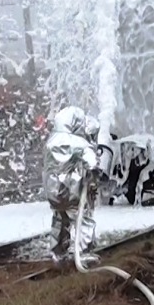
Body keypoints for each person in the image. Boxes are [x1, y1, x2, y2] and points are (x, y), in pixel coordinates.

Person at [42, 106, 101, 262]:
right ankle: (84, 253)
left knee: (59, 219)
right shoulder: (80, 143)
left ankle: (58, 251)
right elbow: (92, 164)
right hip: (73, 190)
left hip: (53, 191)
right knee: (83, 219)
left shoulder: (51, 141)